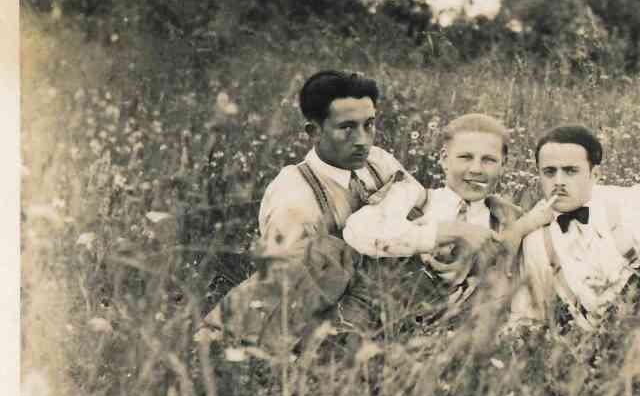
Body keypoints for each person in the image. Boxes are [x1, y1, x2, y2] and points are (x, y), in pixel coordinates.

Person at [199, 70, 493, 352]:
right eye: (347, 128)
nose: (363, 140)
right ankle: (221, 343)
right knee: (325, 253)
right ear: (314, 131)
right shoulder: (294, 196)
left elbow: (424, 205)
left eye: (370, 124)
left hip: (400, 293)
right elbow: (288, 286)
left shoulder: (379, 161)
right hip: (331, 313)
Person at [341, 112, 553, 321]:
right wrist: (443, 233)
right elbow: (357, 231)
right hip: (388, 323)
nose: (476, 169)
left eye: (489, 160)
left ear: (503, 165)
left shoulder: (509, 219)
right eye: (465, 157)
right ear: (444, 159)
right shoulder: (416, 198)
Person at [514, 125, 640, 331]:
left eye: (570, 171)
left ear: (595, 174)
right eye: (549, 172)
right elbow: (530, 316)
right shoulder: (536, 239)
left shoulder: (627, 203)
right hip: (592, 346)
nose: (559, 182)